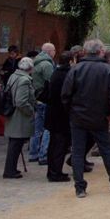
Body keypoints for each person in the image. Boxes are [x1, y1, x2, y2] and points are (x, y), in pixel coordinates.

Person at [61, 39, 110, 199]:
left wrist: (70, 111)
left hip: (78, 116)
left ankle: (79, 187)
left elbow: (66, 94)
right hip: (99, 116)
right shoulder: (108, 70)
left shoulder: (76, 69)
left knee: (78, 151)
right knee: (106, 150)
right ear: (101, 51)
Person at [3, 57, 36, 179]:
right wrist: (31, 110)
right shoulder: (24, 80)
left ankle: (10, 168)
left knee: (14, 142)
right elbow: (21, 101)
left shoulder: (14, 76)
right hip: (19, 116)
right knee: (16, 143)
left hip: (14, 114)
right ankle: (10, 170)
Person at [45, 51, 75, 182]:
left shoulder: (55, 73)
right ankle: (55, 172)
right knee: (59, 145)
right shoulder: (66, 75)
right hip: (61, 115)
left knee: (54, 144)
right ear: (70, 61)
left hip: (53, 114)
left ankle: (52, 170)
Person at [29, 42, 56, 165]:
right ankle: (43, 154)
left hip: (37, 98)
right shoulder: (47, 64)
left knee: (37, 128)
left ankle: (33, 153)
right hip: (45, 99)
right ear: (50, 51)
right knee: (48, 128)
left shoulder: (36, 62)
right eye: (54, 50)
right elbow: (51, 81)